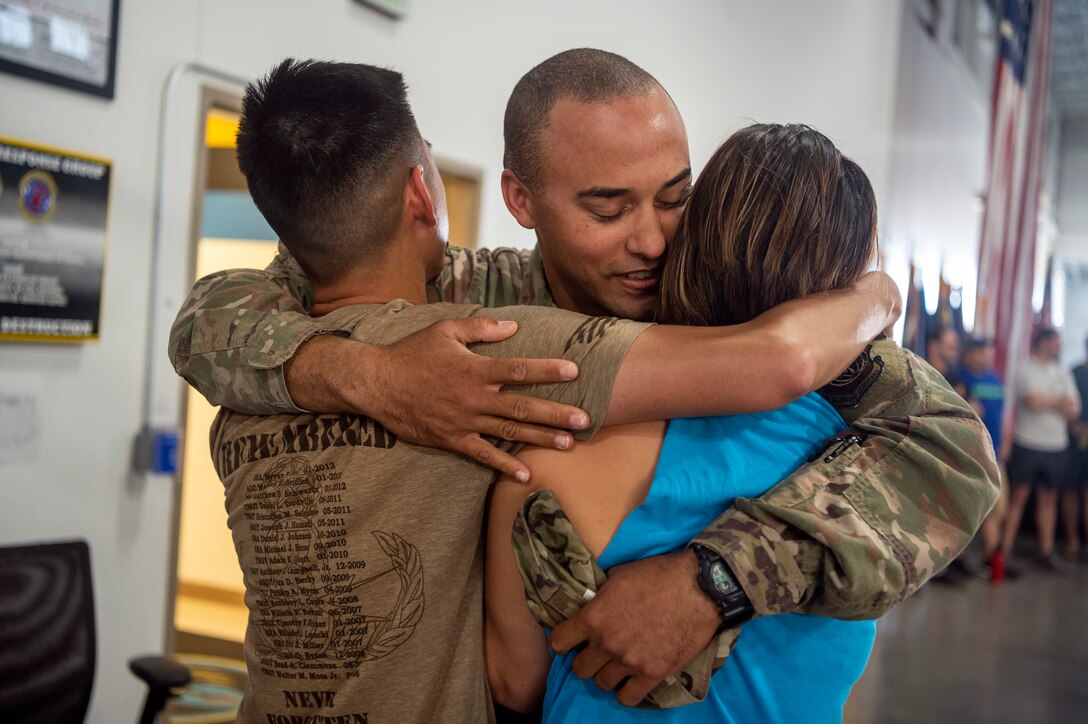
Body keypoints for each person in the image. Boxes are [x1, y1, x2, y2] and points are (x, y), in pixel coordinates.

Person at [171, 48, 998, 708]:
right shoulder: (470, 299)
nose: (650, 240)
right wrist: (371, 375)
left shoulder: (730, 313)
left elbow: (954, 456)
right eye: (607, 209)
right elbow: (209, 320)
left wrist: (723, 576)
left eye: (674, 199)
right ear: (522, 200)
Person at [485, 123, 895, 722]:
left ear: (695, 240)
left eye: (674, 204)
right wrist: (880, 296)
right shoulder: (870, 482)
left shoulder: (555, 449)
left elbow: (513, 682)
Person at [1002, 327, 1082, 571]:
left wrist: (1051, 401)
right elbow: (1032, 401)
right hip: (1028, 442)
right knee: (1019, 496)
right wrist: (1059, 402)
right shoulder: (1024, 369)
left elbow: (1074, 410)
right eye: (1056, 343)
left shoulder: (1062, 373)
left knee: (1049, 498)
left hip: (1056, 445)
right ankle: (1003, 550)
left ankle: (1046, 550)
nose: (1060, 347)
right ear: (1043, 343)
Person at [957, 337, 1016, 578]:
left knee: (998, 509)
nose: (984, 356)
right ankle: (957, 562)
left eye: (987, 351)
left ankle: (994, 560)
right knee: (964, 509)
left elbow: (1001, 414)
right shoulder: (960, 377)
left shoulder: (995, 378)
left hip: (996, 453)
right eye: (979, 351)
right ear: (969, 353)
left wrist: (1005, 441)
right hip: (971, 452)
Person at [1061, 335, 1088, 561]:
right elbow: (1066, 403)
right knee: (1070, 491)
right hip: (1074, 441)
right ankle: (1072, 541)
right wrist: (1074, 425)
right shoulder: (1074, 373)